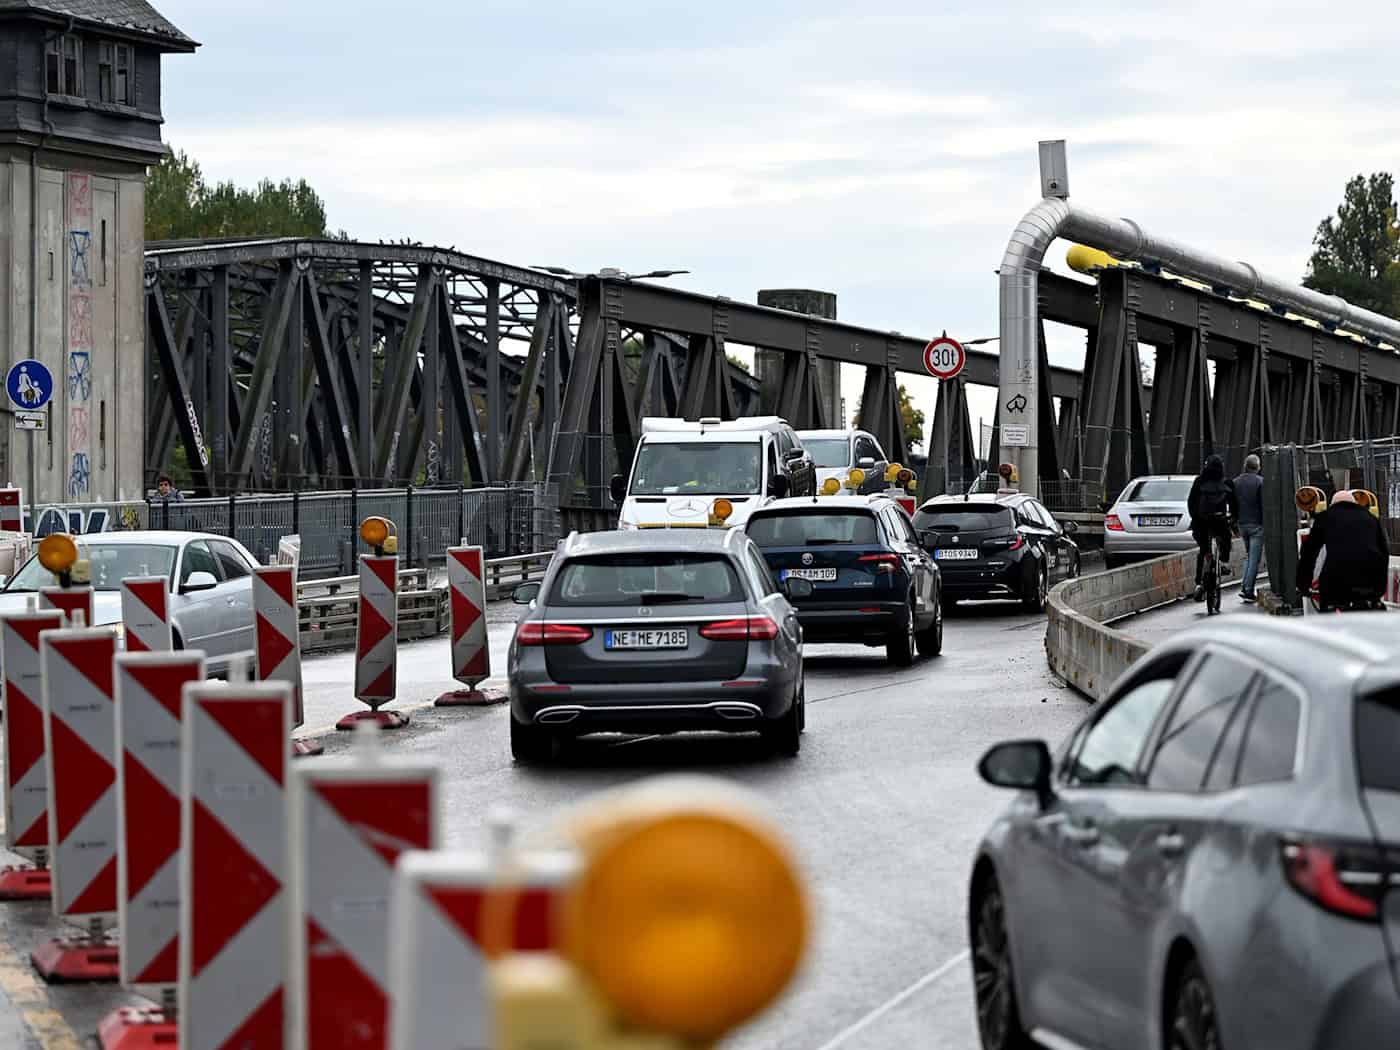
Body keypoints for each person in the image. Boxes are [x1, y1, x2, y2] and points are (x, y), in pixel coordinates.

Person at [1296, 489, 1389, 610]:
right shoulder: (1371, 519)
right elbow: (1384, 553)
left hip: (1336, 584)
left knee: (1330, 612)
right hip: (1369, 584)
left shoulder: (1325, 517)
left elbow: (1309, 553)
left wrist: (1303, 584)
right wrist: (1379, 589)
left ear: (1332, 505)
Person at [1188, 454, 1235, 601]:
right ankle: (1223, 563)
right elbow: (1234, 504)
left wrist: (1196, 518)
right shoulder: (1226, 482)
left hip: (1201, 523)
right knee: (1226, 539)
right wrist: (1233, 519)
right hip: (1220, 521)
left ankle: (1199, 583)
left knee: (1204, 550)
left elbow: (1191, 503)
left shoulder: (1199, 482)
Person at [1233, 454, 1265, 602]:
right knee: (1254, 559)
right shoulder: (1260, 482)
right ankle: (1248, 589)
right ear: (1258, 467)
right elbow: (1263, 504)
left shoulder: (1236, 482)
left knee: (1248, 556)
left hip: (1242, 524)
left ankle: (1244, 585)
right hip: (1256, 525)